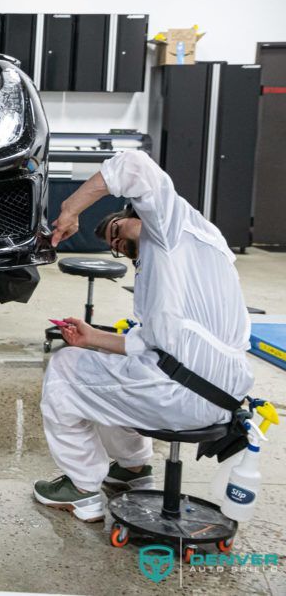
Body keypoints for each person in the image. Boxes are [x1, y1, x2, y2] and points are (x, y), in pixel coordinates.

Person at [33, 149, 254, 522]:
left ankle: (83, 487)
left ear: (136, 214)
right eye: (113, 247)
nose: (117, 245)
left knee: (64, 369)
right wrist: (92, 339)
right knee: (100, 367)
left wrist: (70, 209)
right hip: (220, 393)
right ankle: (133, 470)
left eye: (117, 232)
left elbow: (134, 166)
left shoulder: (168, 227)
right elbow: (152, 344)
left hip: (184, 393)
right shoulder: (194, 253)